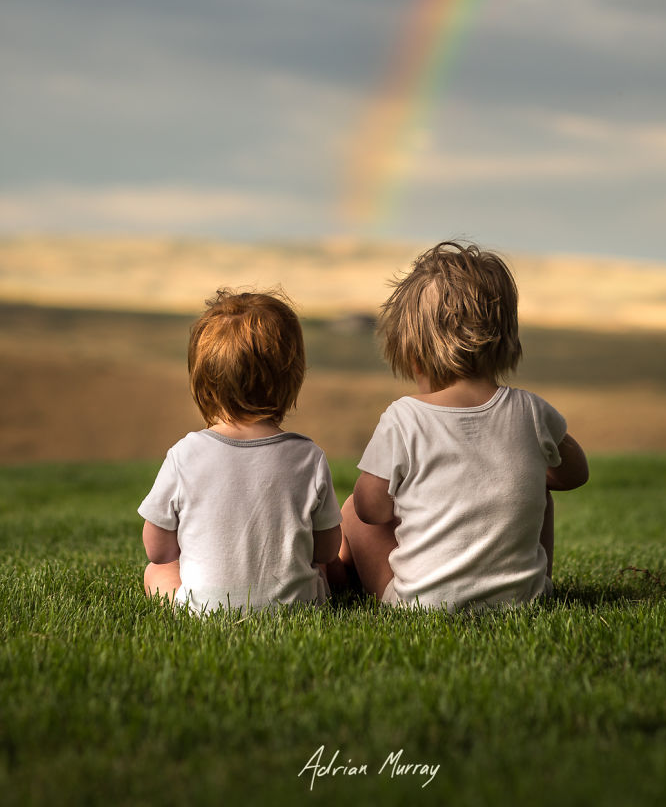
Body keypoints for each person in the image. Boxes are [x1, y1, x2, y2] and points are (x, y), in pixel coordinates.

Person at [338, 241, 588, 611]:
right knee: (543, 492)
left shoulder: (404, 417)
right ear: (507, 341)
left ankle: (343, 584)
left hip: (424, 605)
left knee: (350, 511)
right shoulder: (532, 411)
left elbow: (370, 510)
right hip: (524, 602)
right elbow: (575, 474)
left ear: (414, 356)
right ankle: (531, 585)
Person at [138, 288, 342, 614]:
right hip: (298, 609)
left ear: (204, 382)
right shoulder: (309, 457)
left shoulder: (185, 455)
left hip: (206, 612)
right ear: (292, 379)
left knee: (156, 573)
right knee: (324, 570)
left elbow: (157, 550)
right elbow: (327, 550)